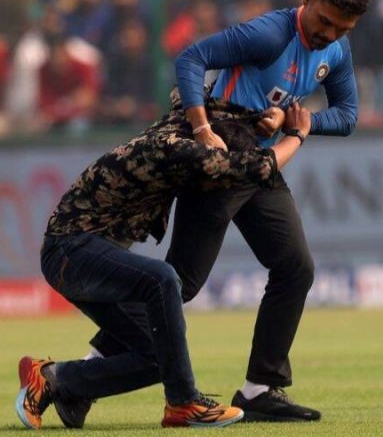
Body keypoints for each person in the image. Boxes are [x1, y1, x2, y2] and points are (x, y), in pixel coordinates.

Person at [93, 0, 370, 422]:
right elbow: (190, 58)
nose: (330, 34)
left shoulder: (336, 49)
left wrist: (297, 123)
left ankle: (261, 388)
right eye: (325, 21)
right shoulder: (269, 34)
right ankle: (77, 377)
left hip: (259, 165)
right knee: (179, 285)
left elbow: (348, 115)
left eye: (343, 28)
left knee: (294, 268)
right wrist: (202, 129)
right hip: (221, 161)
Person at [16, 98, 312, 430]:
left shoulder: (180, 129)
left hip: (85, 254)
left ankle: (56, 380)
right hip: (70, 250)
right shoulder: (177, 149)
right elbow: (257, 168)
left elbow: (188, 96)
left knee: (162, 356)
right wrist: (297, 134)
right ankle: (184, 403)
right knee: (162, 279)